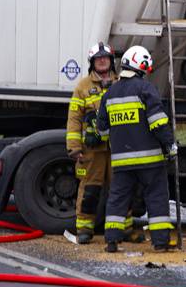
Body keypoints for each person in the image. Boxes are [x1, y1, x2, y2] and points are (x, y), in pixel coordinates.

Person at [98, 45, 177, 253]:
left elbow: (103, 131)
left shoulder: (109, 94)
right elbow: (158, 123)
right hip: (149, 161)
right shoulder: (145, 89)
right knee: (156, 197)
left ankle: (112, 241)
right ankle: (160, 242)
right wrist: (170, 144)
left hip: (121, 162)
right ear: (141, 67)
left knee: (118, 199)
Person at [65, 42, 117, 244]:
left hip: (117, 148)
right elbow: (74, 118)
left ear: (111, 61)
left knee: (120, 189)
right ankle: (85, 230)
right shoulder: (83, 86)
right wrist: (74, 147)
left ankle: (123, 229)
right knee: (90, 189)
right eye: (98, 58)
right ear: (93, 62)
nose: (102, 61)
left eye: (106, 57)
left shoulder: (120, 82)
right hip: (92, 149)